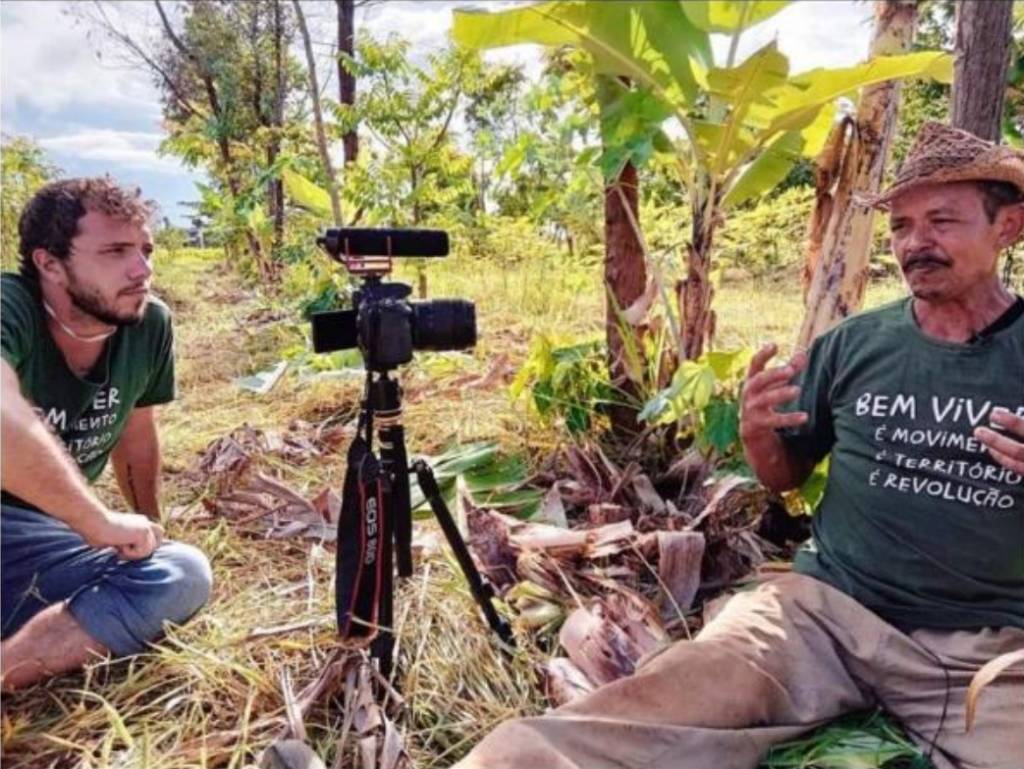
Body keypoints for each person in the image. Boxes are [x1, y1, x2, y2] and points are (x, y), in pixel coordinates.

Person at [454, 123, 1024, 769]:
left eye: (942, 221)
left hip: (982, 642)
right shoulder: (856, 345)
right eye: (900, 225)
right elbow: (783, 478)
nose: (916, 242)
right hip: (820, 616)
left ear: (1007, 227)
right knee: (621, 722)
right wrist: (757, 434)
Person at [1, 177, 212, 690]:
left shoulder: (147, 324)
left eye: (145, 249)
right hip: (50, 523)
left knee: (179, 573)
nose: (142, 269)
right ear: (49, 263)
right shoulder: (11, 306)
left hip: (43, 541)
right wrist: (95, 520)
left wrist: (150, 530)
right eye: (116, 251)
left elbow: (136, 436)